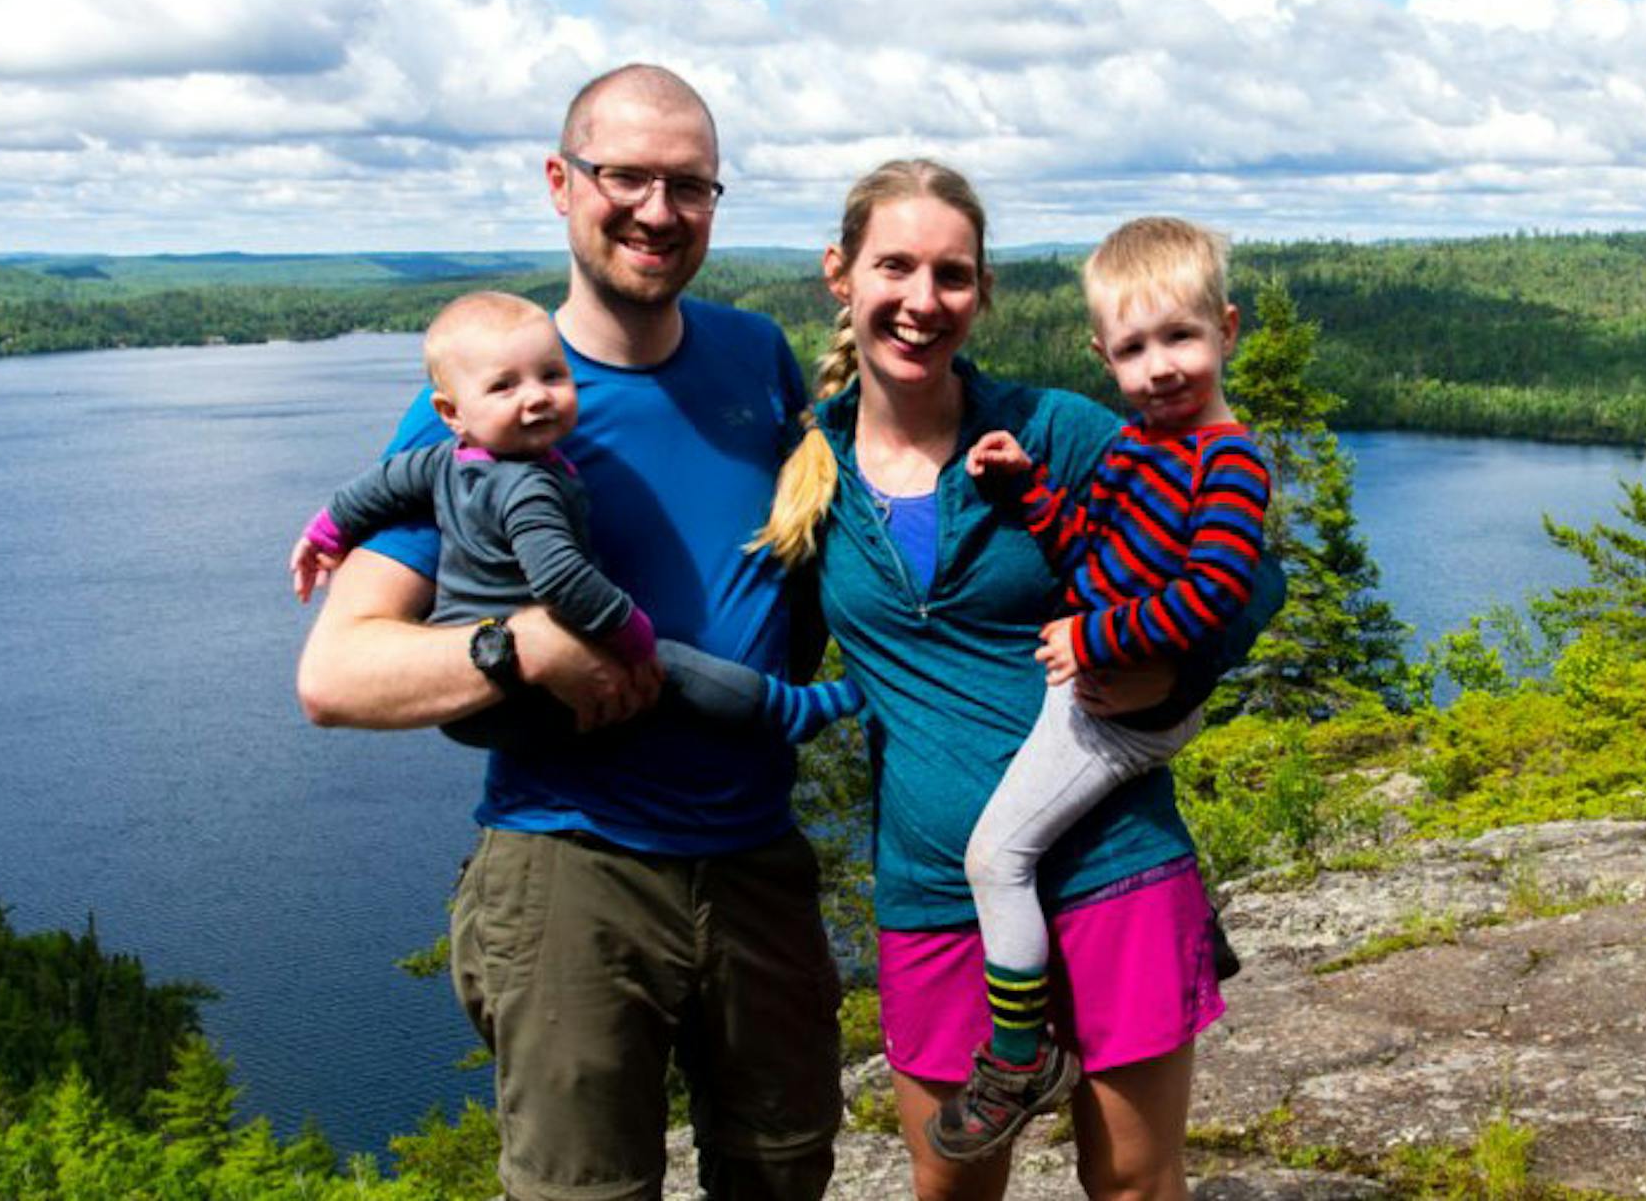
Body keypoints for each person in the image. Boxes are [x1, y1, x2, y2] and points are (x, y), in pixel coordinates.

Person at [295, 65, 842, 1201]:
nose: (656, 209)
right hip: (573, 868)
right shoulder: (483, 408)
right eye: (625, 176)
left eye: (688, 184)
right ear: (560, 182)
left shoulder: (755, 357)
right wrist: (518, 646)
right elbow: (337, 673)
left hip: (756, 860)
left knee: (786, 1172)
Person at [750, 161, 1283, 1200]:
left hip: (1113, 862)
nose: (922, 298)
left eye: (952, 273)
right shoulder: (807, 468)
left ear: (983, 292)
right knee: (951, 1180)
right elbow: (757, 638)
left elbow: (1249, 574)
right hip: (936, 885)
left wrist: (1172, 676)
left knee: (1133, 1180)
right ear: (839, 276)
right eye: (894, 266)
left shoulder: (1053, 430)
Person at [931, 216, 1272, 1159]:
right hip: (1102, 689)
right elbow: (1090, 546)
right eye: (1134, 348)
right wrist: (1026, 488)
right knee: (1050, 837)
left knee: (995, 857)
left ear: (1226, 328)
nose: (1160, 366)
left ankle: (1018, 1054)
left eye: (1181, 338)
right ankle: (1197, 927)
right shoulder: (1138, 445)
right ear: (1103, 354)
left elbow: (1211, 595)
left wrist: (1094, 636)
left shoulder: (1228, 462)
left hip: (1124, 711)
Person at [287, 289, 862, 747]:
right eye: (504, 386)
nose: (534, 397)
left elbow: (378, 487)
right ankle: (790, 709)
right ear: (451, 413)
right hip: (565, 823)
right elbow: (558, 577)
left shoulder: (448, 459)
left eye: (553, 377)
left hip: (755, 845)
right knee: (665, 663)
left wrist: (325, 530)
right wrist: (606, 638)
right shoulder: (525, 485)